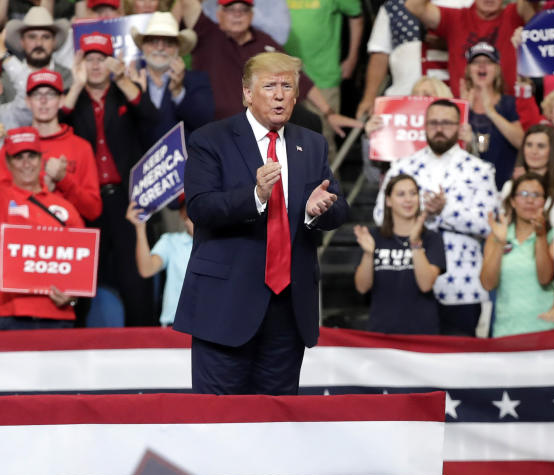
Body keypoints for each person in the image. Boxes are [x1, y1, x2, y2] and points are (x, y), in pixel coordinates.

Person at [174, 52, 349, 395]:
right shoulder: (211, 139)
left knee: (277, 429)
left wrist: (315, 211)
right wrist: (255, 195)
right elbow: (200, 207)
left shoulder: (311, 143)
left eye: (287, 86)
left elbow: (339, 209)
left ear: (297, 97)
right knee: (218, 425)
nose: (280, 94)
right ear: (247, 94)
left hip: (288, 312)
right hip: (224, 309)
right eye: (270, 86)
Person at [373, 98, 497, 337]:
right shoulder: (402, 167)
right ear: (424, 126)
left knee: (460, 360)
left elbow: (489, 225)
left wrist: (445, 211)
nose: (439, 128)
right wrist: (422, 214)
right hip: (407, 282)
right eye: (434, 123)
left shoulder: (479, 170)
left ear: (460, 127)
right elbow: (380, 216)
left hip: (461, 282)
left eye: (447, 123)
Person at [61, 32, 160, 326]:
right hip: (85, 200)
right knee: (81, 277)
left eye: (102, 59)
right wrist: (76, 84)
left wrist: (122, 80)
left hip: (126, 199)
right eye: (89, 59)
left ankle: (144, 342)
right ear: (80, 64)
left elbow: (152, 119)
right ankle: (72, 341)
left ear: (112, 63)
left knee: (135, 281)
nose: (95, 65)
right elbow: (57, 122)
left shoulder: (123, 93)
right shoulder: (73, 98)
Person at [179, 0, 356, 134]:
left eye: (243, 10)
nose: (237, 15)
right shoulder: (206, 34)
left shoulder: (265, 43)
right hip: (213, 131)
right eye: (230, 10)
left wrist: (328, 113)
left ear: (251, 15)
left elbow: (298, 77)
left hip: (257, 134)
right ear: (219, 14)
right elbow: (187, 3)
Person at [0, 127, 84, 330]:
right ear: (8, 163)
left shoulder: (65, 208)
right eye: (19, 157)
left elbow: (83, 261)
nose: (26, 164)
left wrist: (72, 296)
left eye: (32, 156)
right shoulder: (2, 198)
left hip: (58, 314)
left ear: (42, 160)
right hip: (9, 315)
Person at [0, 70, 102, 223]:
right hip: (21, 240)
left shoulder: (81, 147)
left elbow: (93, 210)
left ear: (62, 100)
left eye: (50, 94)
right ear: (27, 101)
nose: (43, 101)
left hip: (67, 240)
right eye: (36, 95)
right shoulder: (13, 147)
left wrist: (64, 179)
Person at [353, 173, 446, 335]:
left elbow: (426, 285)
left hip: (423, 332)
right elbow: (362, 287)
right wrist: (369, 254)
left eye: (413, 193)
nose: (408, 200)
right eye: (401, 194)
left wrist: (415, 243)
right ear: (388, 201)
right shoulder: (372, 237)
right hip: (382, 332)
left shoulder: (432, 239)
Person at [480, 172, 554, 336]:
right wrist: (500, 242)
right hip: (507, 331)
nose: (530, 200)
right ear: (512, 201)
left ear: (545, 202)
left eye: (536, 195)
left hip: (548, 329)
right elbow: (487, 284)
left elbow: (544, 278)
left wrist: (541, 236)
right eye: (523, 194)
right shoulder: (497, 235)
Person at [403, 0, 529, 98]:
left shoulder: (514, 15)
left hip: (508, 107)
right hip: (463, 107)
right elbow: (414, 6)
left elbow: (534, 5)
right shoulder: (456, 19)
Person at [284, 0, 363, 145]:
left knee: (321, 140)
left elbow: (356, 16)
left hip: (322, 75)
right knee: (283, 140)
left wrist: (352, 57)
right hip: (280, 76)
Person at [130, 11, 214, 145]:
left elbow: (204, 122)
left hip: (183, 164)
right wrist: (130, 90)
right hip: (139, 164)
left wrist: (178, 92)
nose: (160, 48)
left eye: (168, 43)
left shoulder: (197, 80)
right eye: (153, 41)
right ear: (143, 46)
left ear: (178, 49)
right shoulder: (130, 81)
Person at [460, 42, 521, 189]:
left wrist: (491, 112)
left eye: (488, 62)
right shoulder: (459, 105)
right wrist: (463, 111)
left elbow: (521, 142)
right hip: (466, 187)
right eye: (476, 62)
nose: (482, 66)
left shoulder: (509, 103)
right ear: (468, 70)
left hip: (503, 188)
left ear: (497, 69)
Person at [125, 199, 195, 327]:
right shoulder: (171, 241)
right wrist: (140, 228)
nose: (191, 216)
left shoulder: (221, 244)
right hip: (174, 323)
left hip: (211, 323)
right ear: (181, 214)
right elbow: (147, 269)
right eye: (187, 211)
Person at [0, 7, 73, 126]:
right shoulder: (5, 79)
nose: (39, 43)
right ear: (22, 41)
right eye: (32, 37)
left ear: (54, 42)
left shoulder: (68, 78)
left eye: (45, 37)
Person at [500, 124, 554, 228]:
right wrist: (516, 188)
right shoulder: (509, 186)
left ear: (551, 151)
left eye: (541, 146)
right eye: (529, 145)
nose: (534, 151)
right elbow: (504, 225)